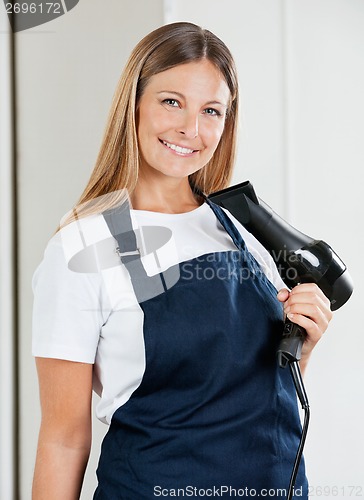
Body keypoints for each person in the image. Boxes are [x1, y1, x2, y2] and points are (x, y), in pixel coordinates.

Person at [31, 22, 332, 499]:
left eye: (211, 110)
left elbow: (258, 401)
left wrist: (304, 349)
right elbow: (64, 441)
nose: (190, 129)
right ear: (133, 104)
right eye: (171, 101)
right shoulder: (82, 247)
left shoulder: (242, 234)